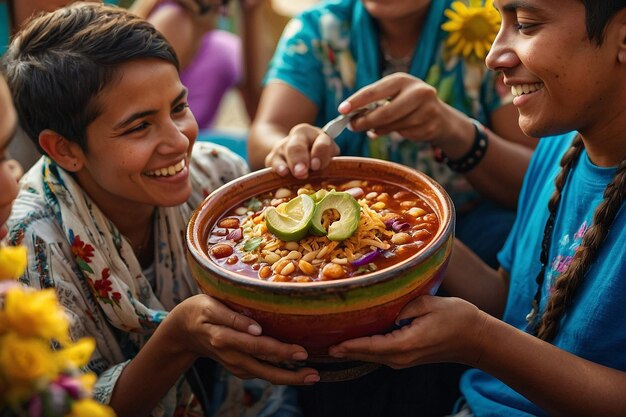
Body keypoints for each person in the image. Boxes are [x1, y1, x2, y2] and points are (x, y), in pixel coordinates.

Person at [3, 4, 319, 416]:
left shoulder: (217, 175)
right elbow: (68, 408)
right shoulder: (27, 248)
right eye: (139, 126)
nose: (180, 141)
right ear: (64, 149)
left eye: (179, 108)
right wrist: (177, 340)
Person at [327, 1, 626, 416]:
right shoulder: (561, 147)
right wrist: (393, 231)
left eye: (526, 25)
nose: (493, 55)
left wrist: (482, 342)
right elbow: (511, 299)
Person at [248, 0, 536, 270]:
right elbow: (265, 133)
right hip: (330, 230)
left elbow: (539, 180)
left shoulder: (488, 26)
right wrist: (291, 146)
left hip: (471, 226)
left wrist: (455, 131)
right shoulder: (316, 30)